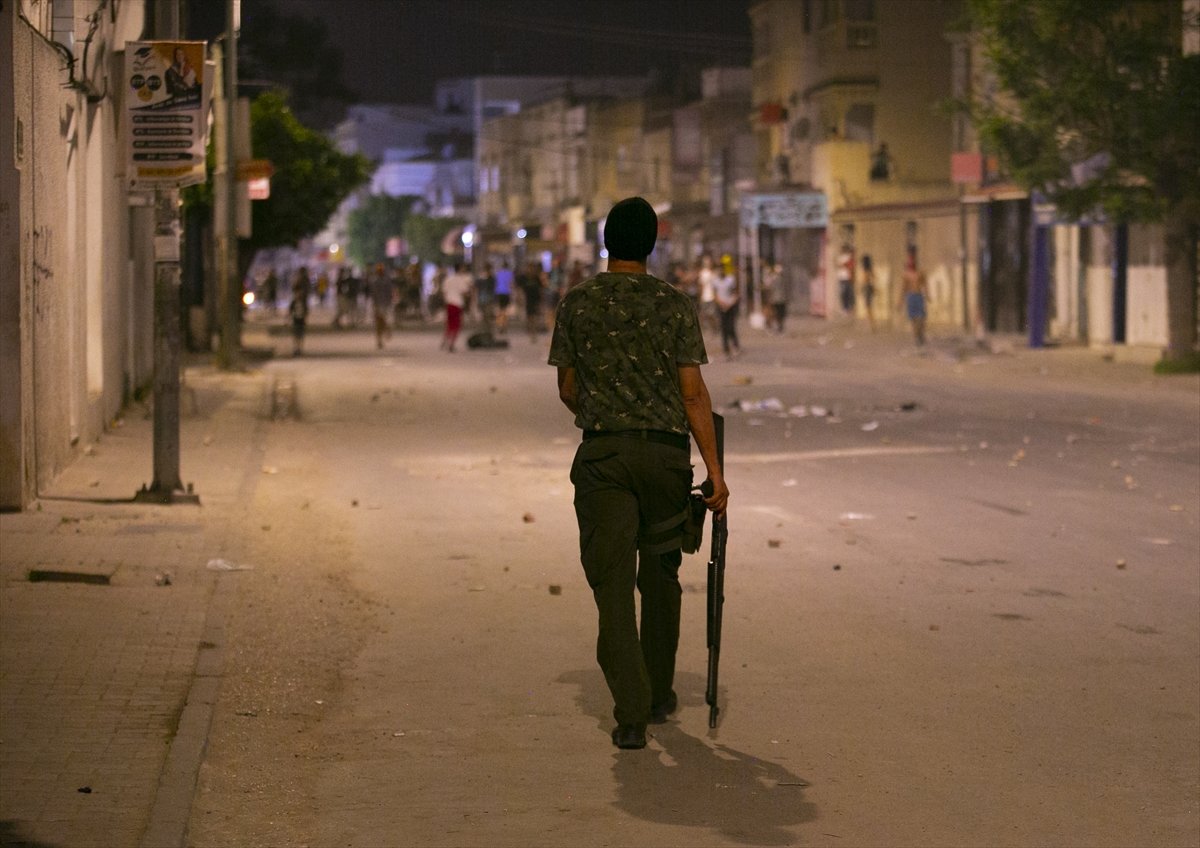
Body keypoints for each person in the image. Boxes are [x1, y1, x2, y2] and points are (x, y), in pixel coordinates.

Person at [549, 196, 729, 751]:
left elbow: (568, 388)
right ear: (652, 244)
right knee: (660, 575)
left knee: (612, 588)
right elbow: (693, 393)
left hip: (605, 459)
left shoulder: (577, 304)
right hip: (665, 460)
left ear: (606, 241)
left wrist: (608, 415)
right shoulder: (673, 305)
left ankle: (630, 712)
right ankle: (656, 694)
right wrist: (715, 475)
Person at [440, 261, 474, 352]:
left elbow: (444, 291)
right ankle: (451, 344)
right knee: (457, 325)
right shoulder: (461, 280)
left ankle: (445, 340)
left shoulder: (448, 279)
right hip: (457, 304)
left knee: (449, 324)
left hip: (449, 303)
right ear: (460, 269)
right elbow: (465, 292)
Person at [713, 256, 741, 359]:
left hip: (730, 306)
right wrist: (720, 302)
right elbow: (715, 294)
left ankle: (735, 345)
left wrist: (730, 303)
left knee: (731, 327)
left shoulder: (730, 280)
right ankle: (726, 349)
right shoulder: (715, 281)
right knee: (723, 329)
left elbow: (736, 293)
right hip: (721, 306)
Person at [899, 253, 928, 346]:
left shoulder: (920, 273)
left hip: (918, 296)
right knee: (914, 320)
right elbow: (903, 289)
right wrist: (900, 301)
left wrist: (927, 294)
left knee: (921, 319)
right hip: (911, 297)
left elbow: (925, 284)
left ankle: (921, 335)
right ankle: (917, 339)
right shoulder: (906, 275)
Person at [518, 261, 544, 343]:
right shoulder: (523, 278)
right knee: (529, 317)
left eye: (532, 268)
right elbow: (520, 289)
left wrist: (541, 300)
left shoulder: (536, 278)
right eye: (529, 268)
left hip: (536, 300)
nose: (531, 269)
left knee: (535, 317)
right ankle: (531, 332)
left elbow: (541, 289)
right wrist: (520, 298)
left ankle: (534, 333)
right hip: (528, 300)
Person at [369, 263, 393, 350]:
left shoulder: (386, 281)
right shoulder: (375, 281)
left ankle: (386, 330)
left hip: (384, 304)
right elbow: (373, 294)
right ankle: (380, 339)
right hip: (379, 304)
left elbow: (390, 293)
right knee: (379, 323)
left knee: (381, 321)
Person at [764, 262, 788, 334]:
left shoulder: (773, 278)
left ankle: (777, 327)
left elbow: (769, 287)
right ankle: (777, 327)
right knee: (778, 314)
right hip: (779, 299)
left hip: (776, 299)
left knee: (777, 314)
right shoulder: (778, 279)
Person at [288, 282, 309, 356]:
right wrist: (288, 319)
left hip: (301, 321)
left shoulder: (303, 301)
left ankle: (300, 349)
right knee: (296, 335)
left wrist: (306, 318)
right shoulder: (293, 302)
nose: (298, 294)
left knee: (301, 335)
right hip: (295, 320)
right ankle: (296, 348)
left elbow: (306, 311)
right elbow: (290, 311)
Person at [494, 260, 514, 334]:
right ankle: (504, 325)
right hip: (506, 293)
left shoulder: (498, 273)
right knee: (505, 310)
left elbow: (496, 283)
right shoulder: (510, 273)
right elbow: (511, 284)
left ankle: (499, 324)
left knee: (499, 310)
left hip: (499, 292)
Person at [860, 254, 877, 333]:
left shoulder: (865, 271)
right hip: (870, 288)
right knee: (869, 307)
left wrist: (861, 287)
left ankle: (871, 325)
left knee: (868, 307)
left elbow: (865, 280)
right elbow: (874, 277)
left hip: (867, 288)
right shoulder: (871, 269)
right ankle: (871, 325)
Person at [837, 244, 855, 315]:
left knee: (848, 293)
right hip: (841, 277)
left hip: (848, 277)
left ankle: (849, 308)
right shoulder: (840, 257)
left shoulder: (849, 257)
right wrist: (843, 265)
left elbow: (850, 264)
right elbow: (838, 265)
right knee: (843, 293)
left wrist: (844, 265)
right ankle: (844, 308)